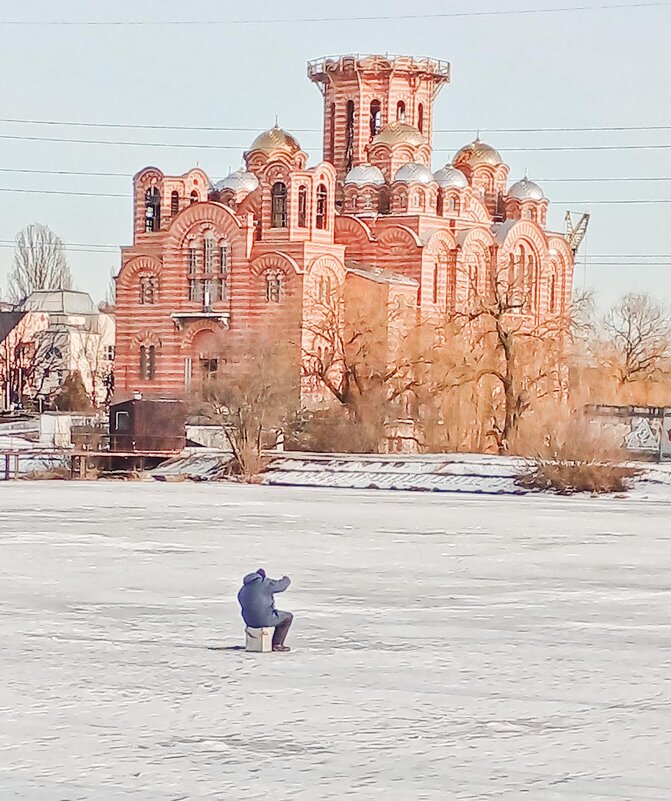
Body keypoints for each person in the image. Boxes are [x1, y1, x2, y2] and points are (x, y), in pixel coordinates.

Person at [237, 569, 293, 652]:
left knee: (272, 615)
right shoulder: (263, 583)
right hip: (263, 619)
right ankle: (277, 644)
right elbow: (281, 586)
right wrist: (286, 579)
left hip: (249, 622)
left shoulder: (243, 589)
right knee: (288, 617)